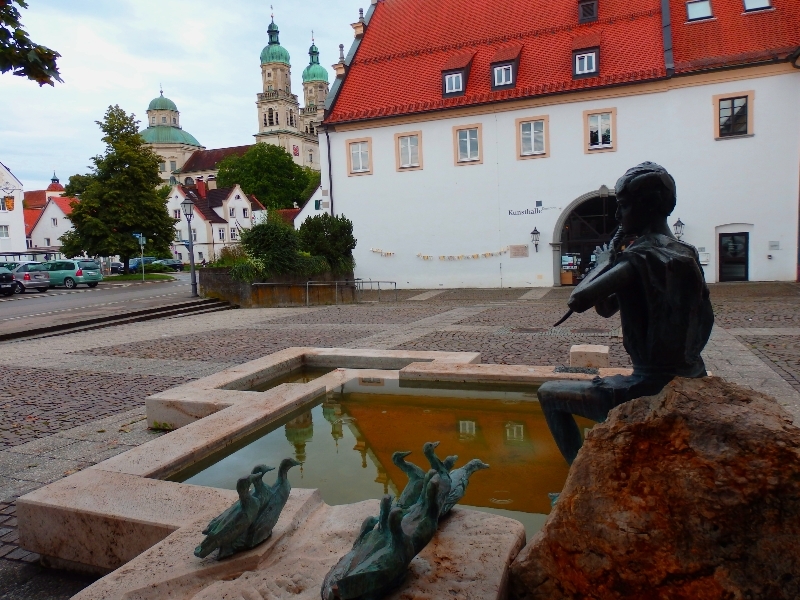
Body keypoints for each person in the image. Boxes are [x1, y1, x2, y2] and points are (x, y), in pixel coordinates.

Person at [539, 162, 714, 464]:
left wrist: (605, 261)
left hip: (652, 384)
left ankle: (581, 476)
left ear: (646, 207)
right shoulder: (685, 252)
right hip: (691, 373)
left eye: (623, 206)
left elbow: (578, 299)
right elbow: (607, 308)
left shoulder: (639, 259)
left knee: (548, 393)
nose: (618, 216)